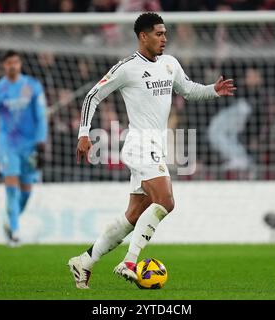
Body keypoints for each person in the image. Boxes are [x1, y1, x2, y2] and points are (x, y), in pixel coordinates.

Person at [68, 12, 236, 289]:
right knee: (167, 201)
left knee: (133, 216)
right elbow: (92, 96)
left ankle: (84, 261)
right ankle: (130, 262)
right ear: (142, 36)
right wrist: (83, 134)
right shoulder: (127, 67)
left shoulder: (170, 64)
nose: (164, 39)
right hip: (139, 145)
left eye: (165, 33)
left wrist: (213, 90)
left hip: (156, 147)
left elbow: (189, 90)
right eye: (158, 34)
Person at [0, 50, 48, 247]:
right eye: (9, 62)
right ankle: (15, 233)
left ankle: (10, 221)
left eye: (16, 62)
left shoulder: (32, 87)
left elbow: (41, 117)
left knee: (26, 191)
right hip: (7, 143)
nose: (13, 65)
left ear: (20, 63)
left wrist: (41, 143)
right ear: (3, 66)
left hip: (29, 144)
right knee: (11, 187)